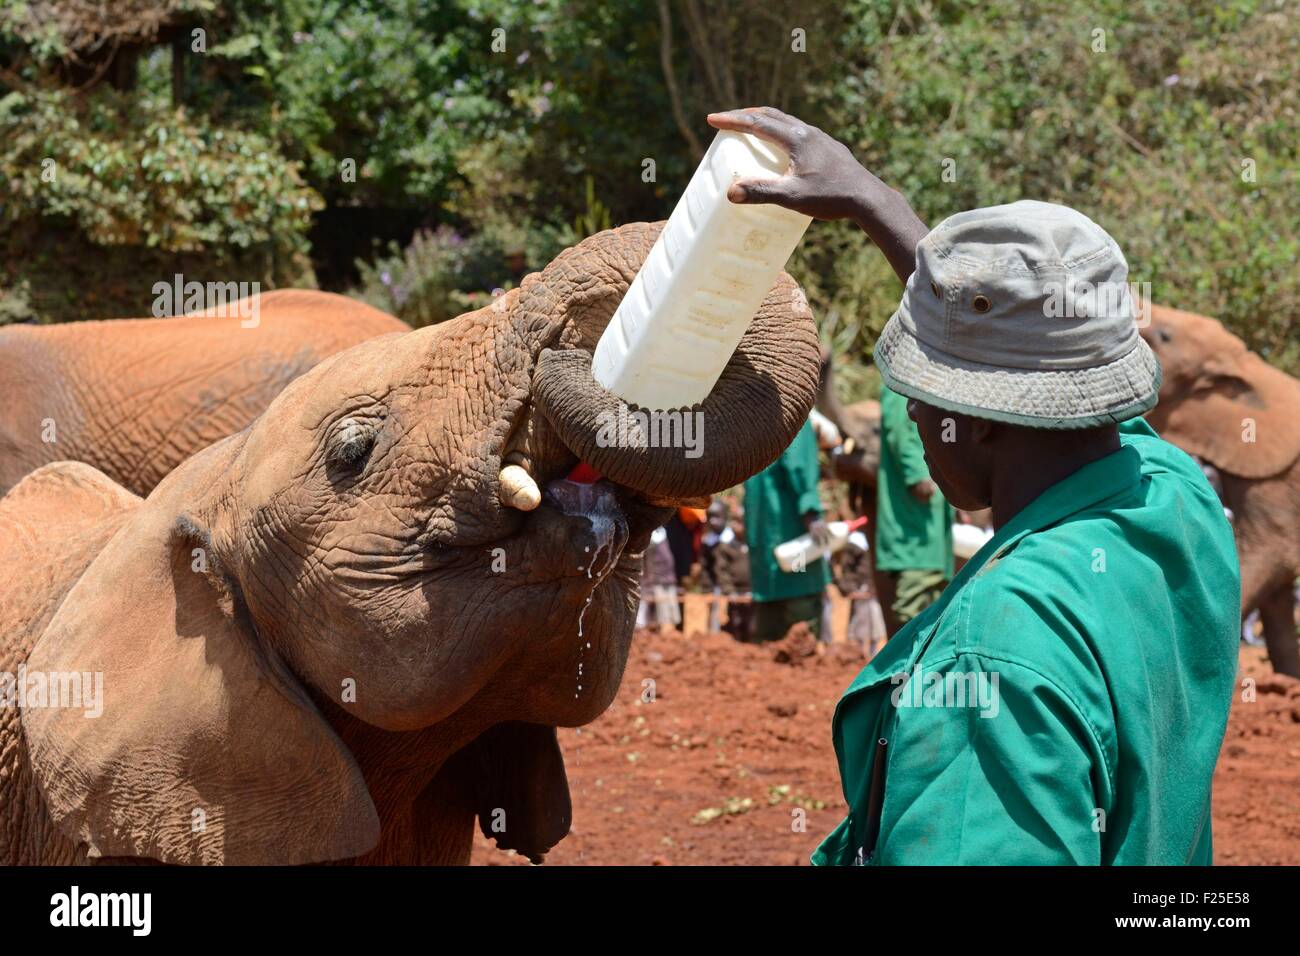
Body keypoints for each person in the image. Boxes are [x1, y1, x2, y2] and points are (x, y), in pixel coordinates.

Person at [709, 107, 1240, 864]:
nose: (915, 415)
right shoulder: (1173, 498)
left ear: (981, 419)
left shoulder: (993, 651)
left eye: (920, 394)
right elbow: (1058, 387)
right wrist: (872, 201)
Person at [743, 418, 832, 643]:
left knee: (768, 644)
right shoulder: (795, 420)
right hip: (795, 545)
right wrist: (811, 512)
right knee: (804, 643)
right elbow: (799, 466)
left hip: (764, 562)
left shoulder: (752, 425)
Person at [875, 383, 954, 634]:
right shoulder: (901, 382)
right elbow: (899, 431)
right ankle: (905, 670)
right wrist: (917, 475)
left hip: (932, 517)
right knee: (911, 605)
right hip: (913, 519)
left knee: (934, 602)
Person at [699, 499, 752, 641]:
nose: (713, 522)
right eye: (710, 518)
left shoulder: (732, 540)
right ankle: (716, 640)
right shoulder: (707, 541)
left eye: (717, 517)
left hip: (735, 587)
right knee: (716, 616)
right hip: (718, 585)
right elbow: (707, 567)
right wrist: (706, 587)